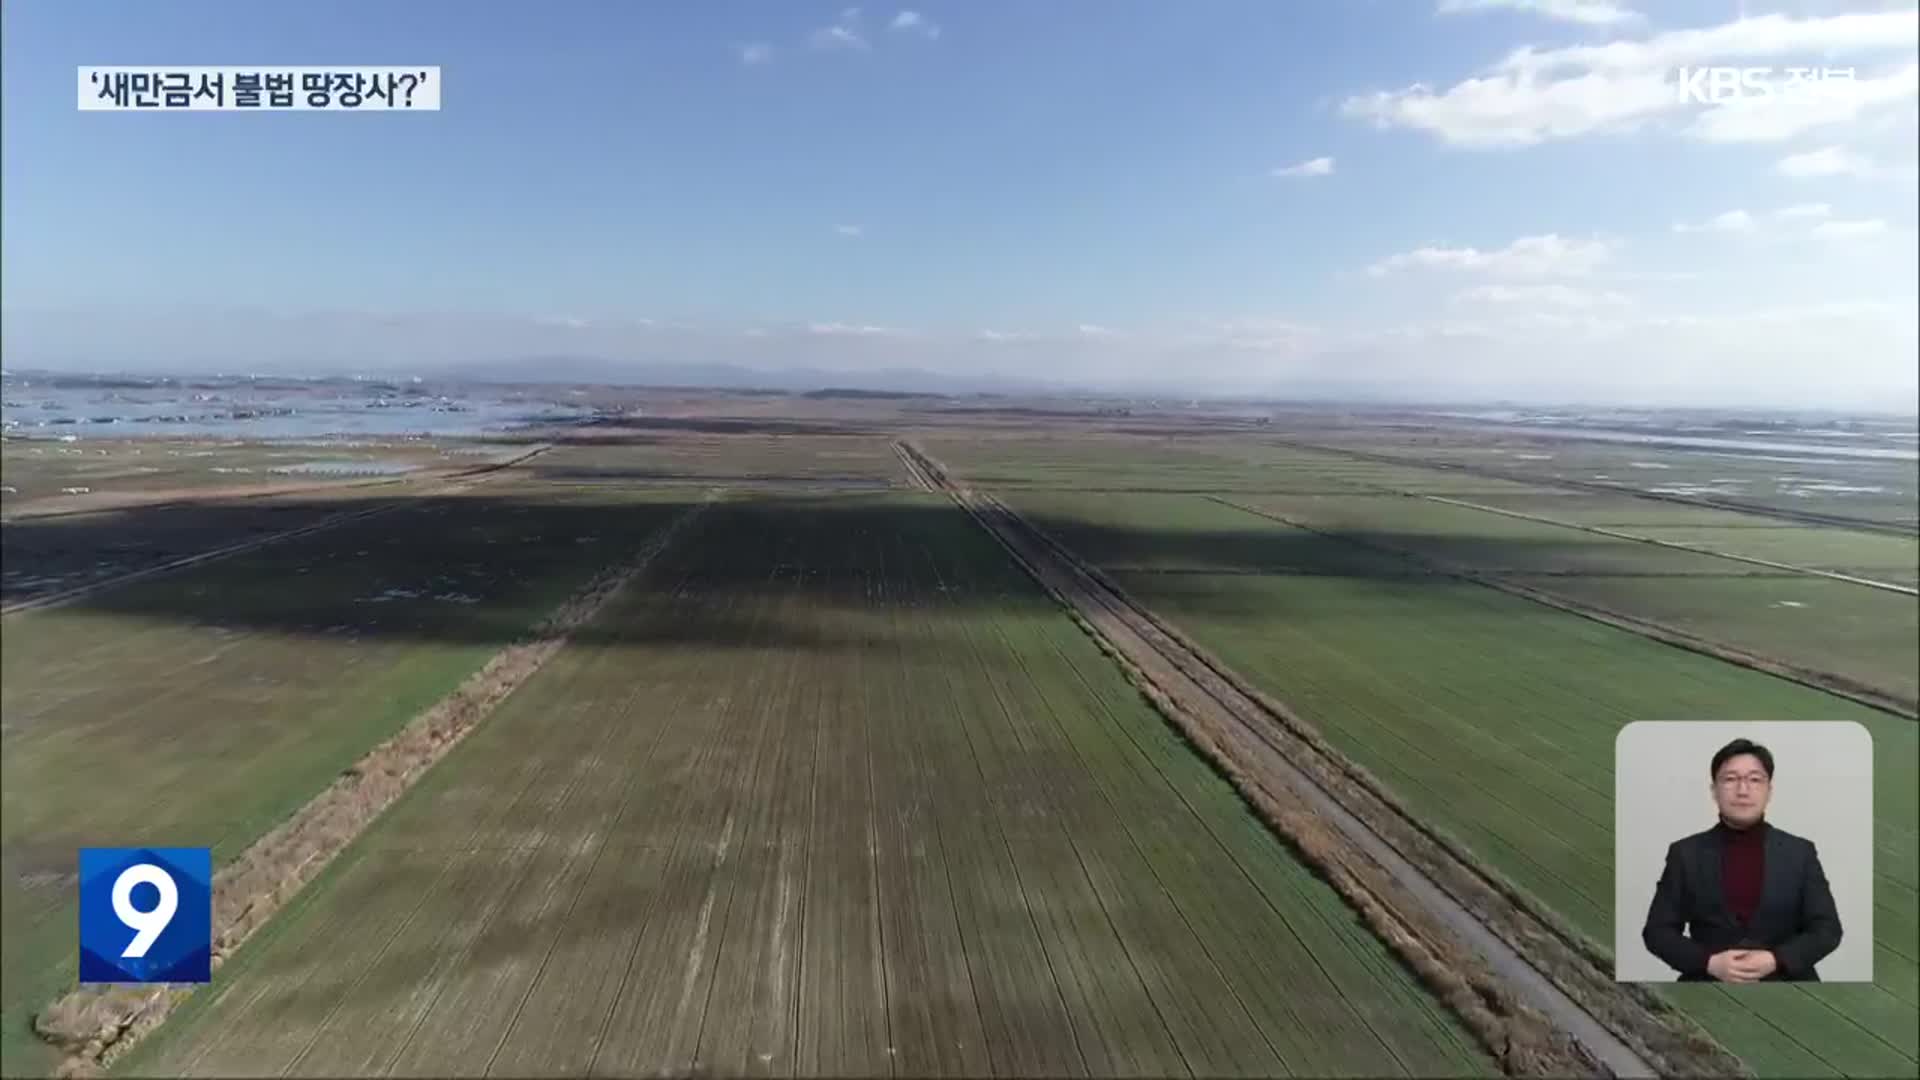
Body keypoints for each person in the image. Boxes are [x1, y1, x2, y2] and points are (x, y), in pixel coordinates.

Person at [1641, 738, 1842, 982]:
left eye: (1755, 779)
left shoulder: (1801, 852)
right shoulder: (1685, 853)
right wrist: (1709, 962)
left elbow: (1827, 929)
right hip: (1707, 985)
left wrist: (1776, 959)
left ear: (1769, 790)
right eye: (1730, 779)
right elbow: (1657, 931)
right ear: (1714, 790)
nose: (1743, 790)